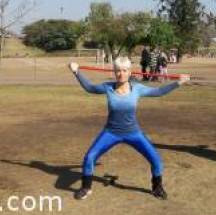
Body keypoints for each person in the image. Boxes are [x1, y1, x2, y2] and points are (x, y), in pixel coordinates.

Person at [68, 56, 190, 200]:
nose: (121, 74)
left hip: (133, 132)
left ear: (130, 72)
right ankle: (86, 188)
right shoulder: (108, 87)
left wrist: (178, 83)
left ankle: (157, 187)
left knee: (156, 159)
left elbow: (158, 92)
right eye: (118, 71)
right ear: (114, 72)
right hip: (111, 132)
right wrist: (76, 71)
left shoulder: (137, 89)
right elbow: (90, 88)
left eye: (124, 70)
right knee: (89, 157)